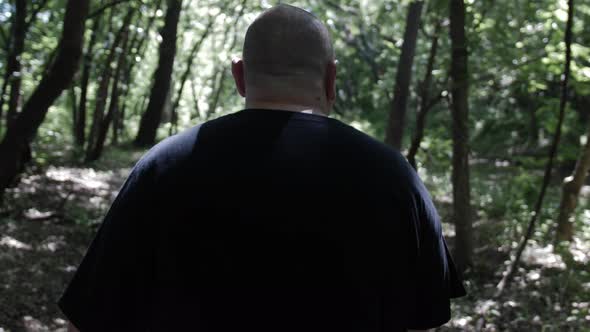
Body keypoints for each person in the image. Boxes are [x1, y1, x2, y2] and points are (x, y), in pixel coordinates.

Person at [59, 4, 466, 332]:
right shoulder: (394, 177)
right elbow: (422, 319)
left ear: (239, 74)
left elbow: (95, 313)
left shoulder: (161, 167)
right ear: (331, 77)